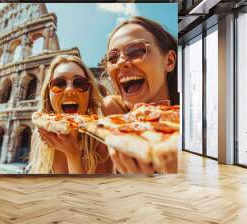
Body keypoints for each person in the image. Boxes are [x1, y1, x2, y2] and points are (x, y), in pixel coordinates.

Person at [101, 16, 178, 175]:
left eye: (136, 51)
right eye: (112, 58)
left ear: (169, 61)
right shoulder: (113, 116)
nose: (121, 62)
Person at [28, 55, 113, 174]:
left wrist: (73, 154)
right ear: (48, 93)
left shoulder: (102, 140)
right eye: (59, 83)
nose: (69, 90)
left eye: (80, 83)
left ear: (89, 94)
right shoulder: (38, 137)